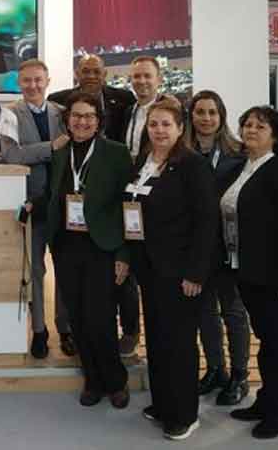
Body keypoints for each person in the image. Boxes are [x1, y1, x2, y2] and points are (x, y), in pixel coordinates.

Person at [30, 92, 133, 409]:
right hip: (66, 245)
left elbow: (128, 205)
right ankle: (92, 379)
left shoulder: (116, 153)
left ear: (98, 122)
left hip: (102, 245)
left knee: (100, 317)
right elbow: (54, 193)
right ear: (67, 120)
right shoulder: (61, 152)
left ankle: (115, 381)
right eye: (76, 115)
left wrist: (124, 254)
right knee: (77, 317)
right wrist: (32, 205)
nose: (82, 121)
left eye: (89, 116)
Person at [127, 97, 217, 441]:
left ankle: (184, 413)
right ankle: (164, 402)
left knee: (179, 342)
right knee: (158, 337)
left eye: (166, 124)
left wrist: (196, 273)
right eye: (154, 124)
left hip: (181, 271)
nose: (159, 130)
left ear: (180, 129)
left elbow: (206, 222)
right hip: (149, 268)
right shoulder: (143, 161)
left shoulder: (193, 165)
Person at [225, 106, 278, 440]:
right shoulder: (241, 168)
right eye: (247, 124)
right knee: (267, 342)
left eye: (260, 126)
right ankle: (265, 401)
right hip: (250, 272)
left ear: (275, 135)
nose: (251, 130)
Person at [0, 60, 74, 358]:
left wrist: (40, 152)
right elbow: (10, 155)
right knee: (35, 270)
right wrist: (50, 148)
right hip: (31, 202)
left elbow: (72, 151)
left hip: (63, 204)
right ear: (19, 83)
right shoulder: (9, 114)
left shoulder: (62, 112)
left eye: (38, 80)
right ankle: (40, 331)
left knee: (65, 268)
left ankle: (65, 329)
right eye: (27, 81)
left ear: (48, 81)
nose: (33, 86)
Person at [185, 91, 251, 405]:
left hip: (229, 245)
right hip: (196, 246)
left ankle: (240, 375)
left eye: (212, 112)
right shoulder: (182, 153)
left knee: (233, 312)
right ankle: (215, 369)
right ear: (191, 115)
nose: (206, 118)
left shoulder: (239, 154)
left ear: (221, 116)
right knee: (204, 312)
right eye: (200, 112)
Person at [114, 55, 165, 357]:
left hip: (157, 199)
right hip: (129, 196)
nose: (142, 81)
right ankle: (131, 331)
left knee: (154, 271)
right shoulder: (127, 111)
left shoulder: (170, 112)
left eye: (147, 76)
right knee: (127, 267)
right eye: (137, 77)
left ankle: (159, 335)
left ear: (159, 79)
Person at [48, 53, 135, 142]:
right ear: (77, 74)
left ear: (104, 74)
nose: (91, 76)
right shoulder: (58, 100)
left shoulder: (125, 98)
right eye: (85, 71)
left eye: (97, 72)